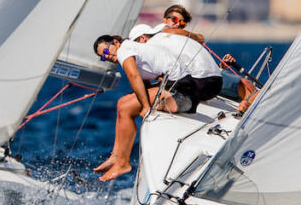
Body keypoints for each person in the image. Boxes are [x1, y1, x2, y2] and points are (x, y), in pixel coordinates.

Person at [92, 27, 222, 182]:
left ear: (115, 42)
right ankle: (116, 156)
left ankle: (122, 162)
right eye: (103, 57)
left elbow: (134, 77)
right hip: (180, 90)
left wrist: (146, 107)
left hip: (183, 94)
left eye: (106, 51)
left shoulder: (124, 50)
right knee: (123, 103)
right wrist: (142, 102)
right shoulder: (134, 49)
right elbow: (144, 84)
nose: (107, 57)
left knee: (125, 106)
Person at [158, 5, 258, 109]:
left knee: (246, 84)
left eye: (182, 23)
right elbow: (169, 31)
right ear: (164, 20)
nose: (178, 24)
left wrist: (221, 67)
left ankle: (250, 108)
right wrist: (197, 36)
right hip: (196, 80)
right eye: (174, 19)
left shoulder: (180, 38)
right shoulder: (161, 34)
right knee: (245, 84)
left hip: (202, 77)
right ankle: (254, 109)